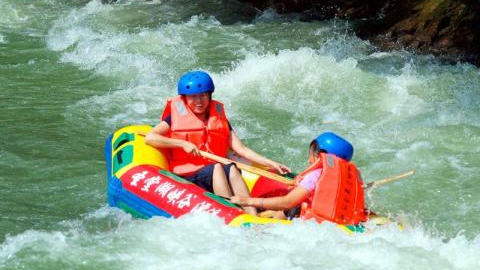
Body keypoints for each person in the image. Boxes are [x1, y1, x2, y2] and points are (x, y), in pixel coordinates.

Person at [145, 70, 291, 215]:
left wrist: (271, 163)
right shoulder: (174, 118)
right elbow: (150, 137)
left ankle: (251, 213)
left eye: (203, 95)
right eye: (193, 97)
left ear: (209, 95)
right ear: (184, 98)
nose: (198, 101)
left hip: (213, 171)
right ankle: (231, 212)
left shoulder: (219, 118)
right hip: (188, 175)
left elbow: (241, 149)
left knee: (231, 168)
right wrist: (182, 144)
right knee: (217, 168)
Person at [231, 132, 368, 224]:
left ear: (320, 154)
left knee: (292, 208)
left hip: (310, 223)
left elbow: (287, 202)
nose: (309, 157)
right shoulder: (350, 179)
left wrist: (248, 201)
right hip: (334, 221)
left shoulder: (315, 175)